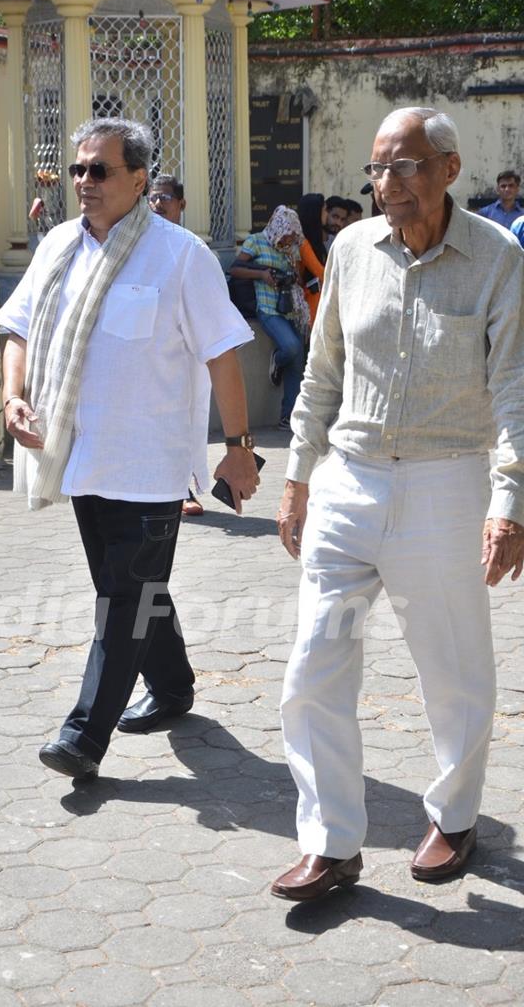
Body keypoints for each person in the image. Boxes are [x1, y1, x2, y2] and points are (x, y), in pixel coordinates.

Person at [272, 106, 524, 902]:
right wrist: (297, 476)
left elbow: (516, 382)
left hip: (447, 485)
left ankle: (454, 816)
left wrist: (509, 498)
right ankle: (331, 841)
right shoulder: (350, 249)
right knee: (315, 662)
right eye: (379, 170)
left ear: (450, 168)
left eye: (408, 167)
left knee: (451, 673)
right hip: (349, 482)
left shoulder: (496, 256)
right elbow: (322, 370)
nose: (390, 186)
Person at [0, 117, 260, 781]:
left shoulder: (180, 255)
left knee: (121, 601)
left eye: (100, 170)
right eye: (79, 169)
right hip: (79, 459)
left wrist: (238, 447)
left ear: (139, 180)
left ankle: (84, 735)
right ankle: (172, 688)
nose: (84, 181)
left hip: (150, 467)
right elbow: (18, 328)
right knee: (135, 591)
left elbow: (222, 354)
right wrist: (13, 395)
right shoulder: (59, 246)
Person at [147, 173, 202, 518]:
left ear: (181, 204)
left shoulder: (192, 248)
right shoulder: (136, 244)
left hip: (183, 356)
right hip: (146, 357)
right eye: (153, 197)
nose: (158, 203)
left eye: (166, 197)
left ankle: (184, 490)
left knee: (181, 425)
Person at [229, 207, 309, 432]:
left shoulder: (290, 250)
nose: (288, 239)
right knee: (291, 347)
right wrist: (263, 275)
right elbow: (235, 269)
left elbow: (299, 279)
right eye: (286, 234)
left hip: (290, 308)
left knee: (297, 364)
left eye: (292, 236)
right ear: (276, 227)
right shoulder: (256, 242)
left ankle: (288, 418)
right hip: (267, 308)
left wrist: (291, 274)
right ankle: (277, 359)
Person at [296, 193, 327, 325]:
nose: (327, 213)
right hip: (309, 300)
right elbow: (321, 273)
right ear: (315, 213)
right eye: (325, 210)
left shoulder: (315, 240)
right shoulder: (303, 243)